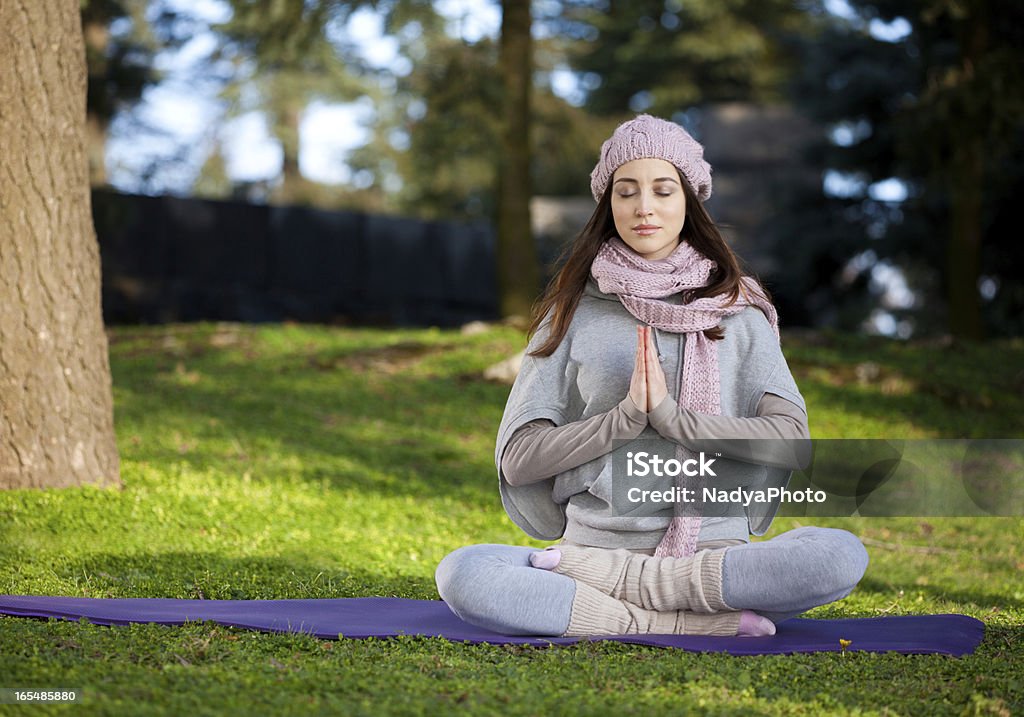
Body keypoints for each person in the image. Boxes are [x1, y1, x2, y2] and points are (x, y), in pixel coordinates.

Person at [435, 114, 869, 638]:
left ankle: (638, 608)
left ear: (688, 202)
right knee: (463, 573)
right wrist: (621, 421)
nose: (644, 207)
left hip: (710, 560)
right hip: (596, 552)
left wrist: (674, 420)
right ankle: (690, 623)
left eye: (663, 191)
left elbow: (791, 444)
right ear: (608, 204)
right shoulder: (572, 314)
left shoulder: (740, 313)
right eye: (626, 192)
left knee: (837, 556)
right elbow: (519, 459)